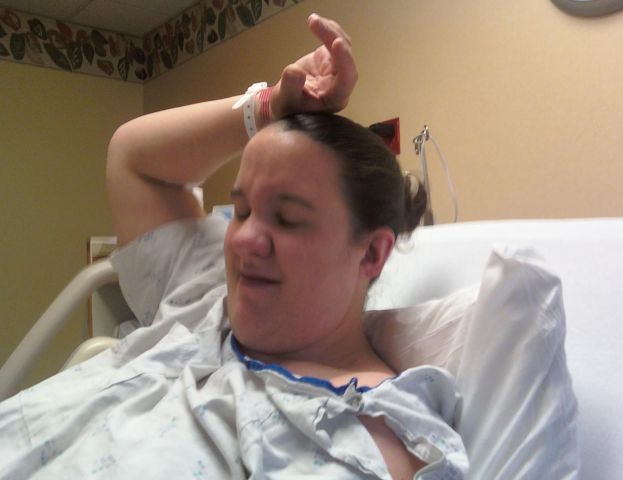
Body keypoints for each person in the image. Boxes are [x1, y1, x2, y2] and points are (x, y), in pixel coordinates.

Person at [0, 14, 467, 479]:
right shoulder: (207, 295)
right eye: (242, 210)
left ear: (371, 254)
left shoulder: (362, 440)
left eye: (286, 219)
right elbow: (132, 157)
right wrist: (267, 107)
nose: (242, 238)